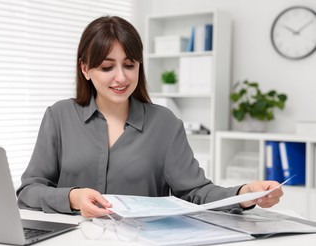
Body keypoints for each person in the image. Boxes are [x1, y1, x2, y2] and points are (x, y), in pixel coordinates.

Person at [16, 16, 283, 218]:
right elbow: (29, 191)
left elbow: (195, 192)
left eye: (130, 65)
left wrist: (246, 194)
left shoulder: (165, 124)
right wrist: (73, 197)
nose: (121, 77)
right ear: (85, 69)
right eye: (107, 67)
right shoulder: (59, 115)